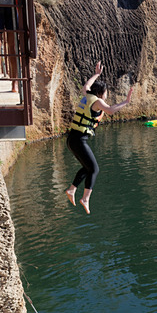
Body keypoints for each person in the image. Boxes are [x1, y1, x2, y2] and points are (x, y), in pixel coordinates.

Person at [65, 62, 134, 214]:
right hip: (79, 140)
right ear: (102, 92)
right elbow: (110, 111)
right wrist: (126, 102)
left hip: (72, 139)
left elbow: (86, 85)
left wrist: (97, 74)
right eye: (107, 92)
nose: (107, 94)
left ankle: (72, 190)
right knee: (94, 169)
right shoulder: (97, 101)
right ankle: (85, 199)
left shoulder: (87, 95)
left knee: (87, 168)